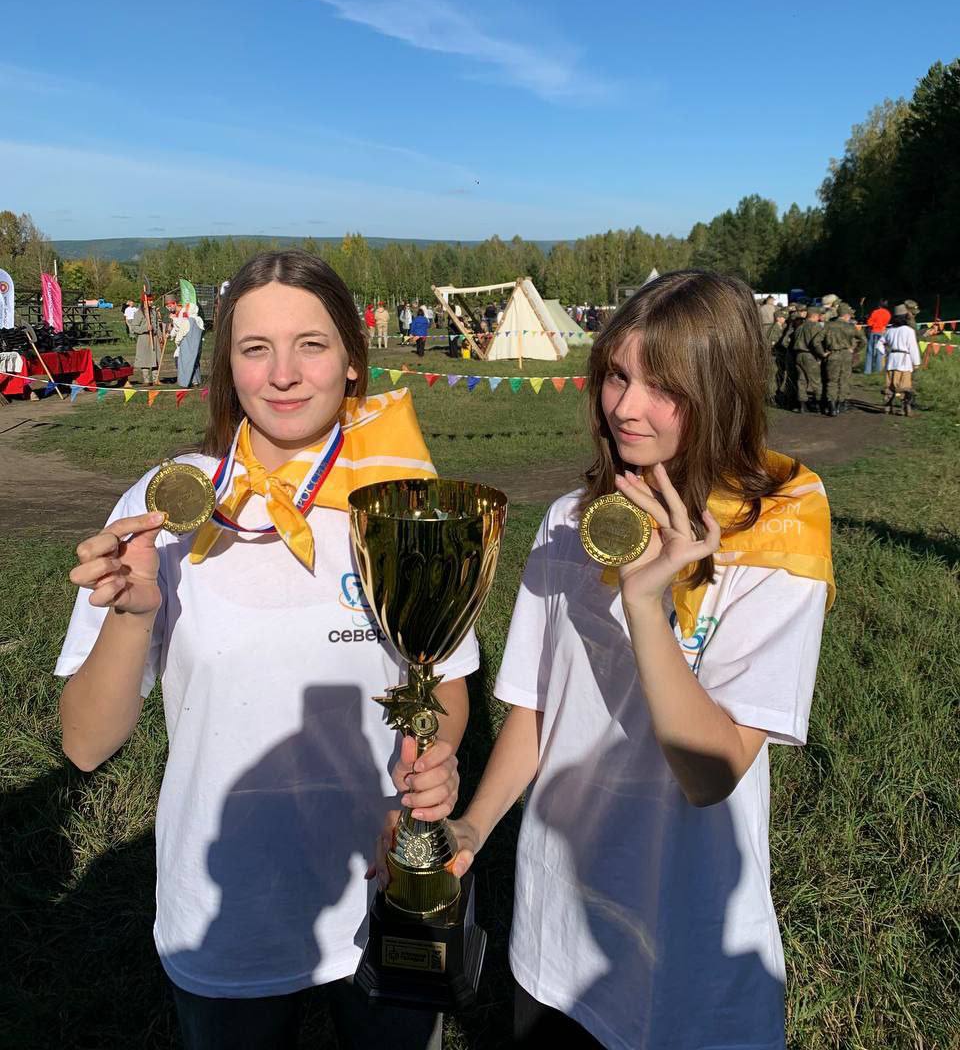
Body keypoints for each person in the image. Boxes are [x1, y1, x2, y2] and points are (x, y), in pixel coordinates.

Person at [57, 251, 472, 1050]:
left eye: (311, 345)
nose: (283, 374)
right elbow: (83, 743)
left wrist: (443, 752)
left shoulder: (403, 499)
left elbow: (443, 683)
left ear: (353, 359)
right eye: (256, 349)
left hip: (387, 897)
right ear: (228, 367)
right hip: (227, 919)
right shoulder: (167, 503)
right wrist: (133, 617)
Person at [439, 269, 833, 1050]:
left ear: (722, 391)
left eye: (664, 387)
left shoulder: (778, 541)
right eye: (617, 374)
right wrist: (473, 829)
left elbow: (712, 770)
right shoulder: (568, 522)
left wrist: (646, 603)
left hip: (687, 943)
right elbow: (537, 708)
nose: (625, 405)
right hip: (557, 930)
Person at [820, 303, 864, 415]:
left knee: (832, 381)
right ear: (846, 315)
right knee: (844, 380)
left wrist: (822, 352)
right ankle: (841, 404)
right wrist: (854, 350)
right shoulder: (851, 327)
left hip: (832, 354)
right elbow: (863, 340)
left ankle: (832, 406)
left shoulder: (828, 325)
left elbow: (816, 341)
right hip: (846, 355)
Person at [878, 304, 922, 415]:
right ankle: (905, 409)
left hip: (892, 360)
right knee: (905, 386)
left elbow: (879, 344)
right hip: (904, 361)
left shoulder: (890, 330)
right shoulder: (908, 331)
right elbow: (913, 347)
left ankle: (888, 407)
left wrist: (885, 354)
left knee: (890, 385)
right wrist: (916, 362)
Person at [791, 304, 827, 412]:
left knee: (801, 381)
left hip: (798, 355)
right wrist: (822, 354)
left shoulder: (799, 327)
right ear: (815, 316)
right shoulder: (815, 327)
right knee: (816, 381)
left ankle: (802, 405)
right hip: (809, 355)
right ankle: (819, 405)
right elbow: (816, 343)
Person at [130, 296, 159, 386]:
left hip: (154, 337)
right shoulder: (139, 313)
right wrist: (145, 328)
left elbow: (156, 325)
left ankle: (155, 379)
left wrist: (159, 334)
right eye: (150, 300)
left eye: (152, 300)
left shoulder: (153, 312)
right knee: (145, 359)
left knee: (155, 358)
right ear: (145, 301)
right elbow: (134, 327)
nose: (152, 302)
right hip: (144, 338)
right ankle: (146, 380)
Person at [763, 308, 787, 405]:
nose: (784, 319)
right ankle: (771, 397)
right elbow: (772, 344)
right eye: (783, 317)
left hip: (779, 356)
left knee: (779, 376)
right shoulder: (774, 329)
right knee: (773, 377)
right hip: (774, 356)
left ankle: (775, 395)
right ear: (778, 318)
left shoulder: (780, 327)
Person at [863, 299, 891, 374]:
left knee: (870, 351)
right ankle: (878, 370)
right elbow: (886, 323)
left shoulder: (875, 312)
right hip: (882, 333)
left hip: (874, 331)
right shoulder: (888, 313)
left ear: (879, 305)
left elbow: (869, 322)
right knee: (880, 351)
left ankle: (867, 370)